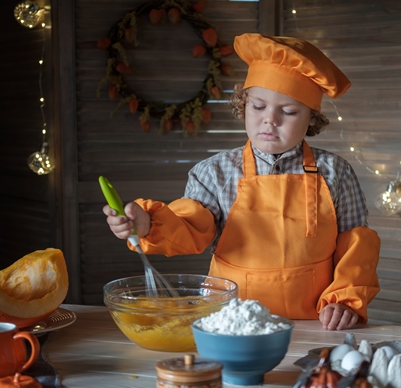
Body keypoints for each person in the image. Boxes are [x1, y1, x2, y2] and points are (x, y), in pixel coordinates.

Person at [103, 33, 380, 330]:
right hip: (230, 319)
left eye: (288, 111)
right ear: (243, 105)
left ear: (312, 117)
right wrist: (147, 224)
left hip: (314, 321)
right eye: (258, 107)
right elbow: (190, 227)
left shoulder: (336, 172)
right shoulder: (214, 172)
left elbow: (356, 246)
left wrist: (344, 300)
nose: (269, 120)